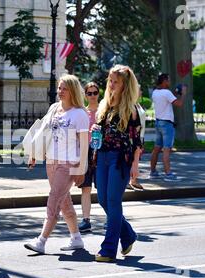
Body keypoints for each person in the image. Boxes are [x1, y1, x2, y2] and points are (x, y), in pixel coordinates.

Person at [24, 74, 89, 254]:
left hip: (68, 164)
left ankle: (41, 241)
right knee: (64, 202)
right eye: (59, 88)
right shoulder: (54, 108)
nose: (60, 91)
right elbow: (43, 133)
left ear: (73, 91)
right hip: (51, 161)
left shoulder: (79, 114)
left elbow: (84, 146)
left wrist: (81, 169)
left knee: (54, 200)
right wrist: (34, 153)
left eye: (64, 88)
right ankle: (76, 238)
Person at [93, 65, 142, 262]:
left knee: (113, 201)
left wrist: (135, 166)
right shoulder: (105, 105)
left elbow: (137, 141)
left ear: (125, 85)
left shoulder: (131, 110)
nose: (112, 85)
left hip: (120, 159)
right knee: (104, 200)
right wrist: (96, 131)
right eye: (110, 81)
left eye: (116, 82)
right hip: (102, 157)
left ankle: (108, 249)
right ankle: (128, 234)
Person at [149, 74, 187, 181]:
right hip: (167, 124)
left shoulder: (155, 92)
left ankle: (153, 172)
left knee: (156, 148)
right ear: (164, 81)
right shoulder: (167, 93)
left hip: (158, 123)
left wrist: (175, 93)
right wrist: (183, 94)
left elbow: (167, 98)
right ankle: (168, 174)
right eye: (169, 80)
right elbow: (179, 103)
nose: (170, 82)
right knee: (166, 150)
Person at [77, 82, 100, 232]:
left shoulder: (104, 111)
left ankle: (113, 218)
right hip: (85, 152)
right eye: (89, 93)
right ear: (85, 95)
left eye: (95, 92)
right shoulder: (82, 113)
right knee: (85, 187)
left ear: (99, 93)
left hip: (100, 151)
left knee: (104, 188)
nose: (92, 96)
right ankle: (86, 220)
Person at [127, 86, 146, 191]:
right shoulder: (130, 105)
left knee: (136, 159)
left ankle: (133, 180)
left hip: (140, 136)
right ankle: (129, 180)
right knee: (131, 158)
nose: (141, 91)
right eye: (139, 89)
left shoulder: (137, 104)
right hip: (133, 136)